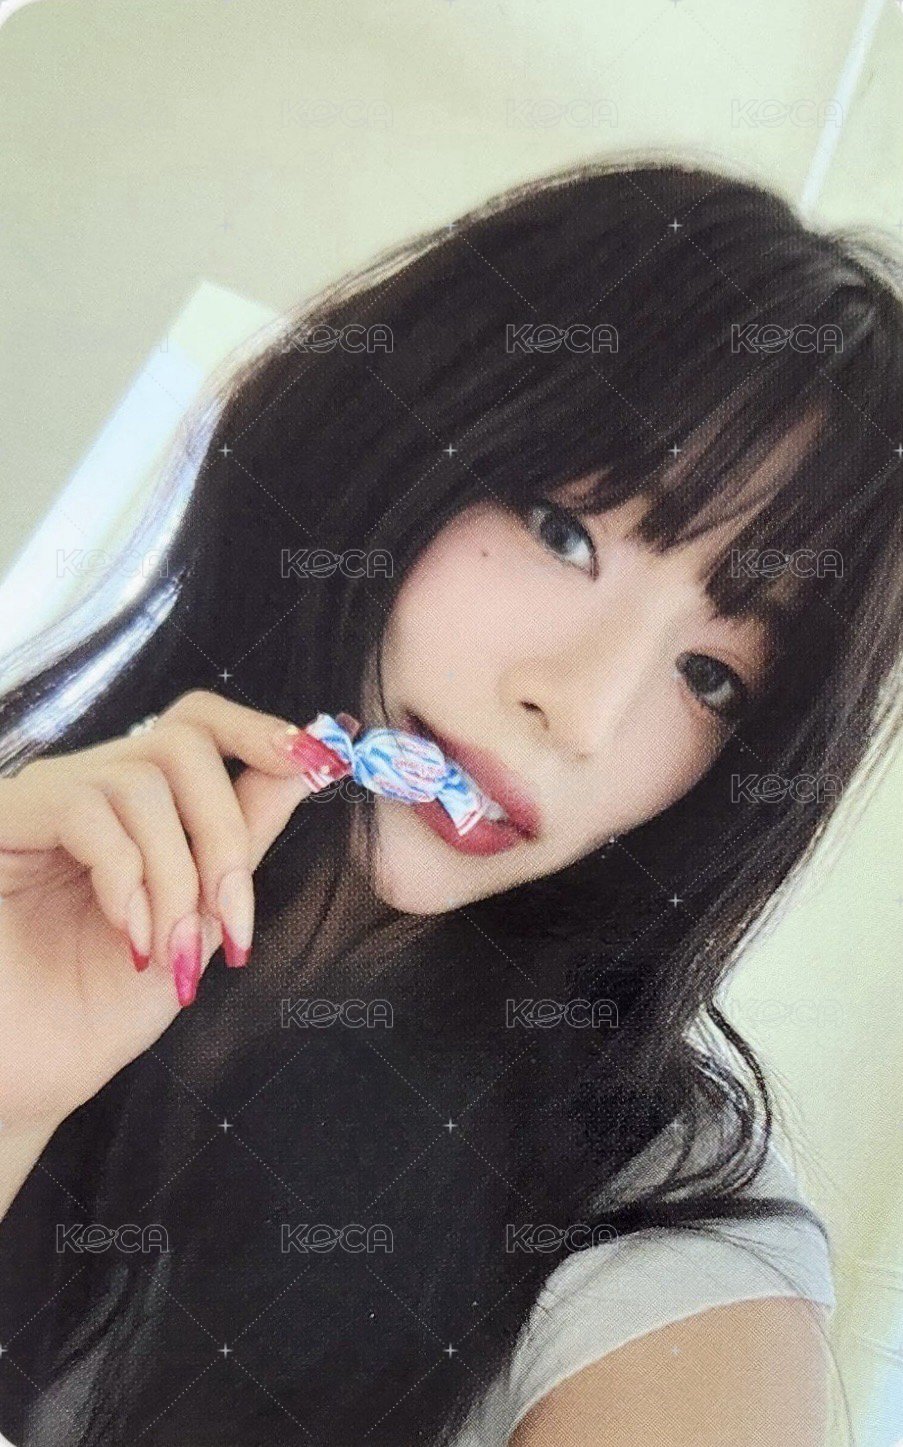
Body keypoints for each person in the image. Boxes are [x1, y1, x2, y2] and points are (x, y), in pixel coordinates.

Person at [1, 153, 901, 1445]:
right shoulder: (27, 863)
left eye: (713, 678)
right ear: (392, 434)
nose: (581, 714)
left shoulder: (664, 1244)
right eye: (564, 532)